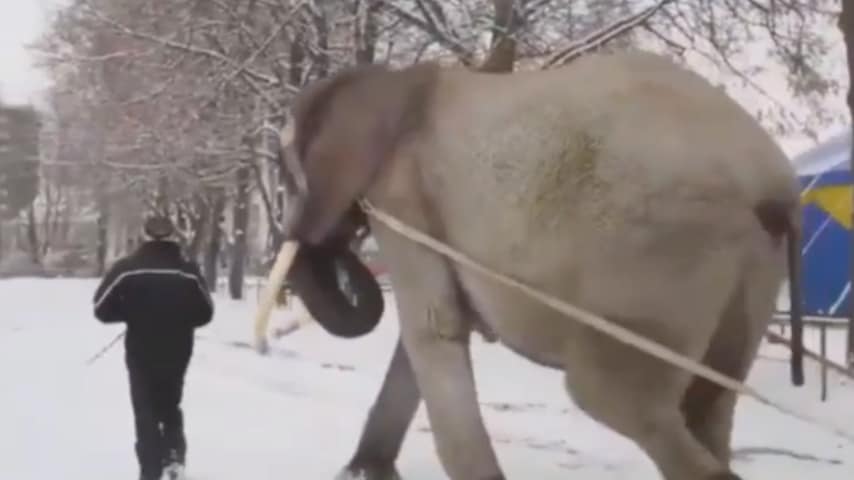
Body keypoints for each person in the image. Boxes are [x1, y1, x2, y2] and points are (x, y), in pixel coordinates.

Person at [92, 215, 214, 480]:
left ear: (144, 235)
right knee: (171, 402)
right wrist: (179, 319)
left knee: (144, 406)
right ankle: (173, 456)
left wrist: (131, 313)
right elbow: (206, 312)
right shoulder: (187, 270)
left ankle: (150, 469)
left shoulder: (127, 269)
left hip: (141, 347)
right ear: (173, 236)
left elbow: (101, 308)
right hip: (179, 347)